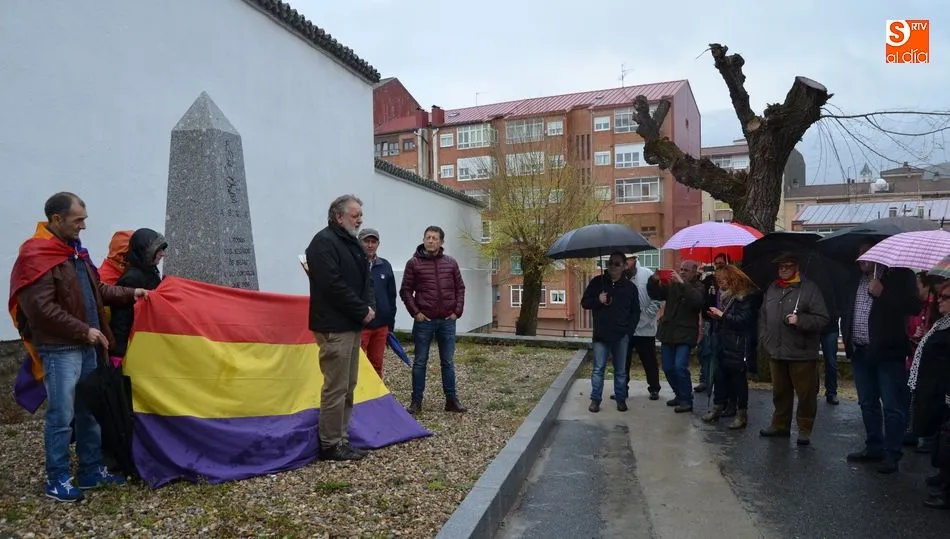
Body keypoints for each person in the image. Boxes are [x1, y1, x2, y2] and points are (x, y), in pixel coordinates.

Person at [10, 192, 147, 502]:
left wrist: (132, 292)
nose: (83, 226)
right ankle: (57, 479)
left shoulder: (73, 253)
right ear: (56, 220)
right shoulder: (36, 255)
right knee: (62, 414)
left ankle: (90, 470)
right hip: (61, 350)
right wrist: (84, 331)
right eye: (78, 220)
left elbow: (97, 290)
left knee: (88, 411)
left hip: (86, 346)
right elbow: (40, 309)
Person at [305, 194, 375, 462]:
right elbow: (333, 286)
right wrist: (361, 310)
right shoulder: (323, 243)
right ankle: (330, 443)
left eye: (360, 214)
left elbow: (364, 279)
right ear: (338, 216)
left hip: (350, 324)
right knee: (335, 387)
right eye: (355, 214)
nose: (360, 219)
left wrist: (370, 305)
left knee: (349, 384)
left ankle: (341, 437)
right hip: (335, 326)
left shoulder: (351, 242)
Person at [841, 244, 921, 474]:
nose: (861, 258)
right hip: (859, 351)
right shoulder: (854, 278)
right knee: (867, 403)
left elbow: (913, 306)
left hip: (888, 353)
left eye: (866, 253)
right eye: (859, 253)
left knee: (892, 405)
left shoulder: (902, 276)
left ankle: (892, 453)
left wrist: (883, 293)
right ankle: (873, 446)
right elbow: (847, 307)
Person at [758, 252, 829, 446]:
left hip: (802, 352)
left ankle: (805, 429)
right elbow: (763, 316)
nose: (783, 269)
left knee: (806, 394)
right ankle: (780, 425)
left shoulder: (809, 289)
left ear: (796, 267)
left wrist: (801, 320)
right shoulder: (772, 288)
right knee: (780, 392)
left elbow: (823, 319)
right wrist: (765, 338)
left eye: (788, 266)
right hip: (776, 350)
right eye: (781, 266)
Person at [400, 226, 467, 414]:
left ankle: (451, 401)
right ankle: (416, 402)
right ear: (423, 240)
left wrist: (457, 311)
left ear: (441, 242)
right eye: (428, 237)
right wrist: (416, 313)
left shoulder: (451, 263)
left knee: (447, 362)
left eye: (435, 238)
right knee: (420, 361)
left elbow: (460, 288)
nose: (430, 241)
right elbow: (405, 291)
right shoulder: (413, 263)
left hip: (447, 320)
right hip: (424, 321)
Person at [907, 279, 950, 509]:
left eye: (945, 298)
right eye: (940, 296)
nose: (939, 301)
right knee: (941, 436)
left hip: (945, 389)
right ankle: (943, 476)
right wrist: (924, 335)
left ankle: (947, 492)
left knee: (947, 441)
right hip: (936, 389)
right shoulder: (942, 323)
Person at [701, 265, 760, 429]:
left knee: (738, 380)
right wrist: (718, 317)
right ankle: (718, 407)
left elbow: (744, 320)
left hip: (739, 344)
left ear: (733, 280)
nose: (720, 285)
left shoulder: (748, 297)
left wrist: (722, 315)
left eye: (723, 281)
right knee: (720, 376)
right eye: (718, 282)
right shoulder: (728, 296)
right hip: (723, 341)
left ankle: (742, 414)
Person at [581, 252, 640, 412]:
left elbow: (636, 311)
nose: (613, 266)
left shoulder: (630, 288)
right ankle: (595, 400)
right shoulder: (596, 283)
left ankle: (621, 399)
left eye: (617, 263)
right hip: (601, 334)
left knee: (620, 371)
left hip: (621, 336)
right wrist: (597, 300)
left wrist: (629, 331)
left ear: (624, 266)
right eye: (610, 263)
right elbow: (585, 303)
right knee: (598, 369)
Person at [647, 260, 705, 413]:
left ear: (694, 272)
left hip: (685, 334)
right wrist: (654, 281)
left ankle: (686, 400)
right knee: (667, 367)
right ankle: (680, 395)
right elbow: (656, 294)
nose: (682, 272)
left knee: (680, 367)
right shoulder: (673, 285)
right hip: (669, 333)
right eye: (681, 269)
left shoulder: (698, 286)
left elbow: (698, 301)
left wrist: (682, 284)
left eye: (686, 270)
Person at [109, 228, 167, 360]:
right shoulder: (132, 278)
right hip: (130, 349)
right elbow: (121, 319)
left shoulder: (150, 272)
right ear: (146, 252)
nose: (163, 254)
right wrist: (118, 353)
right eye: (159, 250)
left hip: (141, 344)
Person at [621, 254, 662, 401]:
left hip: (645, 328)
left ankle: (654, 388)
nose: (625, 262)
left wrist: (645, 316)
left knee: (649, 360)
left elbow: (657, 299)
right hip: (626, 328)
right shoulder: (620, 278)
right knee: (623, 361)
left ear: (635, 259)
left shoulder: (647, 274)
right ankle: (622, 389)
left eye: (628, 259)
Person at [358, 228, 397, 379]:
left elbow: (391, 295)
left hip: (381, 326)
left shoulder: (385, 265)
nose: (370, 245)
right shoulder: (354, 264)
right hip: (361, 325)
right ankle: (357, 399)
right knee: (357, 365)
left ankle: (375, 399)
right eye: (366, 241)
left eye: (373, 242)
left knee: (376, 364)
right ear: (359, 242)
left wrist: (390, 325)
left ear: (378, 244)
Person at [697, 253, 730, 393]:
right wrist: (699, 276)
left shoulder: (730, 281)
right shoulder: (709, 279)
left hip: (723, 322)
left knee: (717, 353)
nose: (718, 265)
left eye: (721, 263)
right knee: (704, 351)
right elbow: (700, 295)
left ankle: (716, 382)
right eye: (716, 263)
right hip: (707, 320)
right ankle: (704, 380)